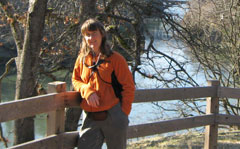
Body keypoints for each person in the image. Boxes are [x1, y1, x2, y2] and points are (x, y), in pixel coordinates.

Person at [72, 18, 135, 149]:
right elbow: (76, 80)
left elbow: (128, 86)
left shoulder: (115, 59)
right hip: (90, 116)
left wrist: (124, 112)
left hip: (114, 115)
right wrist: (87, 91)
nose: (91, 38)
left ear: (102, 34)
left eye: (94, 33)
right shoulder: (82, 59)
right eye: (87, 34)